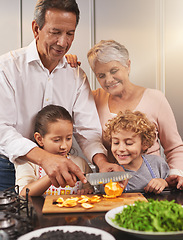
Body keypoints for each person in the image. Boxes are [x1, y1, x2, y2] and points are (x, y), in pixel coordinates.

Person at [0, 1, 123, 191]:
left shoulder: (76, 74)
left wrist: (102, 163)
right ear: (36, 29)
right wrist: (45, 158)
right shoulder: (7, 68)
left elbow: (88, 130)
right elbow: (3, 129)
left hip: (63, 168)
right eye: (55, 32)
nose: (63, 42)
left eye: (70, 33)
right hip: (8, 169)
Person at [85, 39, 183, 189]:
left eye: (113, 71)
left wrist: (173, 177)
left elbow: (174, 147)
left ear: (128, 65)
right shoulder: (94, 99)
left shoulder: (155, 98)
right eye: (101, 75)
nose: (109, 80)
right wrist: (65, 64)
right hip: (113, 186)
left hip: (152, 185)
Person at [15, 105, 94, 196]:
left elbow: (89, 189)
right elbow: (24, 193)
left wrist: (86, 191)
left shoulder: (80, 163)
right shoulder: (27, 163)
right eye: (57, 140)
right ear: (40, 139)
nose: (64, 146)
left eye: (68, 138)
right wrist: (52, 175)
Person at [104, 110, 170, 194]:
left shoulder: (157, 163)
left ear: (144, 144)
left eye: (129, 143)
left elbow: (172, 185)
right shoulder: (111, 173)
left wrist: (164, 183)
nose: (121, 148)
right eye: (116, 143)